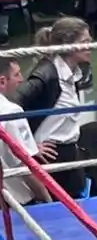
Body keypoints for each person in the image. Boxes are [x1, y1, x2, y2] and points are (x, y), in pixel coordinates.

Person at [14, 17, 91, 200]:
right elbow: (10, 108)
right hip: (50, 159)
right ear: (66, 45)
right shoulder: (45, 75)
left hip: (71, 156)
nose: (90, 46)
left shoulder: (75, 72)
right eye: (84, 42)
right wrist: (30, 146)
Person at [0, 58, 53, 206]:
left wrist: (32, 147)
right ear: (2, 81)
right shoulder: (11, 112)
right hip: (17, 203)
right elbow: (24, 166)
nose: (22, 79)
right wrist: (48, 200)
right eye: (16, 74)